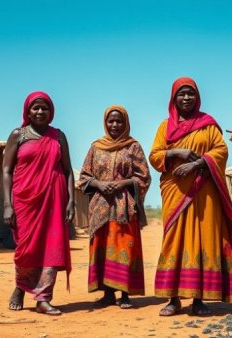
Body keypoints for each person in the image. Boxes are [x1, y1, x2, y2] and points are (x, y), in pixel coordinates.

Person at [149, 77, 232, 316]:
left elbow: (220, 151)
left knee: (203, 239)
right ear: (173, 98)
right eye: (181, 94)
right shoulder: (164, 126)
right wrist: (176, 151)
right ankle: (173, 299)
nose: (186, 98)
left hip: (203, 192)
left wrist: (197, 164)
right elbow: (155, 156)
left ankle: (199, 299)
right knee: (174, 241)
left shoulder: (208, 124)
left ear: (197, 96)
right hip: (175, 191)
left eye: (190, 93)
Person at [2, 91, 74, 316]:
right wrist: (7, 203)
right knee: (26, 248)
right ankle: (21, 287)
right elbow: (6, 170)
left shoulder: (58, 136)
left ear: (51, 111)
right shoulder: (18, 135)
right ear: (28, 111)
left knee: (50, 248)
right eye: (36, 108)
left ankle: (43, 298)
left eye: (45, 108)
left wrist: (71, 201)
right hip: (25, 200)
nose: (40, 112)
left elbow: (68, 170)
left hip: (54, 199)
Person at [79, 105, 151, 309]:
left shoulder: (133, 146)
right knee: (102, 247)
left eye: (119, 121)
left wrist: (124, 183)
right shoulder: (96, 147)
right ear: (105, 122)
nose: (115, 125)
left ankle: (126, 294)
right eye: (111, 121)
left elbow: (144, 176)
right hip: (100, 206)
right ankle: (108, 294)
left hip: (124, 208)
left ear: (126, 123)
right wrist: (99, 184)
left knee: (124, 247)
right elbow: (84, 176)